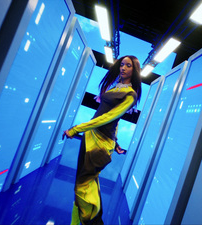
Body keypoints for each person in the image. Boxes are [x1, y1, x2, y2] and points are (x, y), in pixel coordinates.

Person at [62, 55, 142, 225]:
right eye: (122, 64)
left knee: (82, 186)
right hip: (90, 138)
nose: (123, 68)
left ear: (134, 71)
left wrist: (76, 128)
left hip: (100, 145)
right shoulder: (115, 89)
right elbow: (116, 121)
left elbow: (109, 117)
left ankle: (91, 222)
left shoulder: (130, 94)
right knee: (86, 183)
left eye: (128, 66)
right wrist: (118, 142)